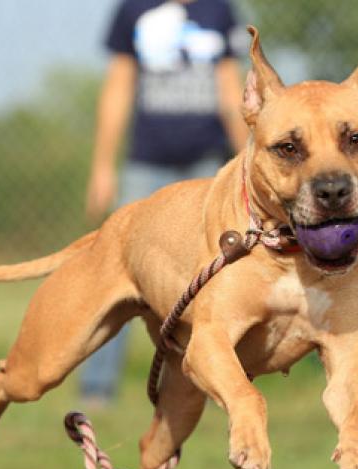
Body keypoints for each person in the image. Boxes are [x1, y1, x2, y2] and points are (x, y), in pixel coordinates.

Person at [80, 0, 248, 406]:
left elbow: (230, 90)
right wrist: (103, 167)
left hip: (208, 163)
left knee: (217, 276)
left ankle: (219, 381)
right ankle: (96, 388)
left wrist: (249, 161)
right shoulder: (134, 10)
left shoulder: (218, 10)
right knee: (114, 272)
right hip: (146, 164)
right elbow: (118, 87)